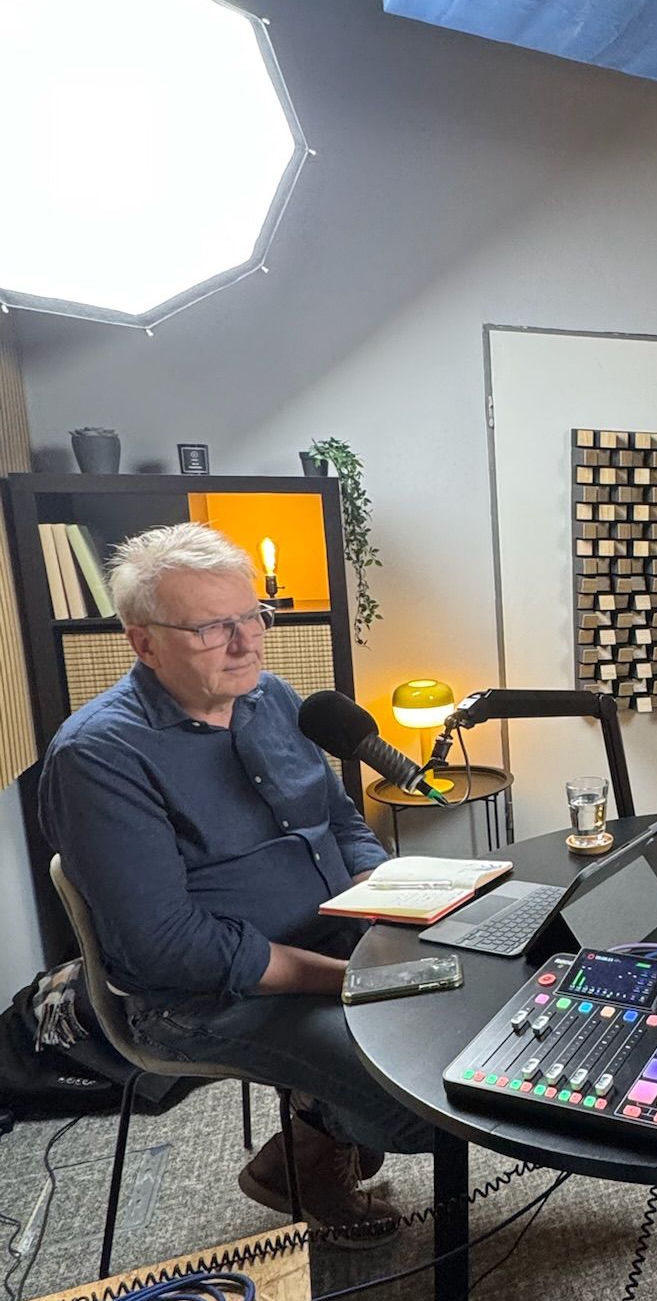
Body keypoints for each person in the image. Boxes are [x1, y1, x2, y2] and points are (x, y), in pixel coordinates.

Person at [40, 522, 432, 1242]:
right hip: (204, 997)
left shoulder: (272, 697)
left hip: (338, 937)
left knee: (472, 1008)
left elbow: (338, 819)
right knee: (423, 1103)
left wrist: (389, 897)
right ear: (144, 643)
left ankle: (307, 1143)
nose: (247, 642)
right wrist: (347, 980)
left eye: (253, 617)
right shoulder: (98, 757)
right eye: (212, 628)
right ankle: (312, 1147)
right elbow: (172, 948)